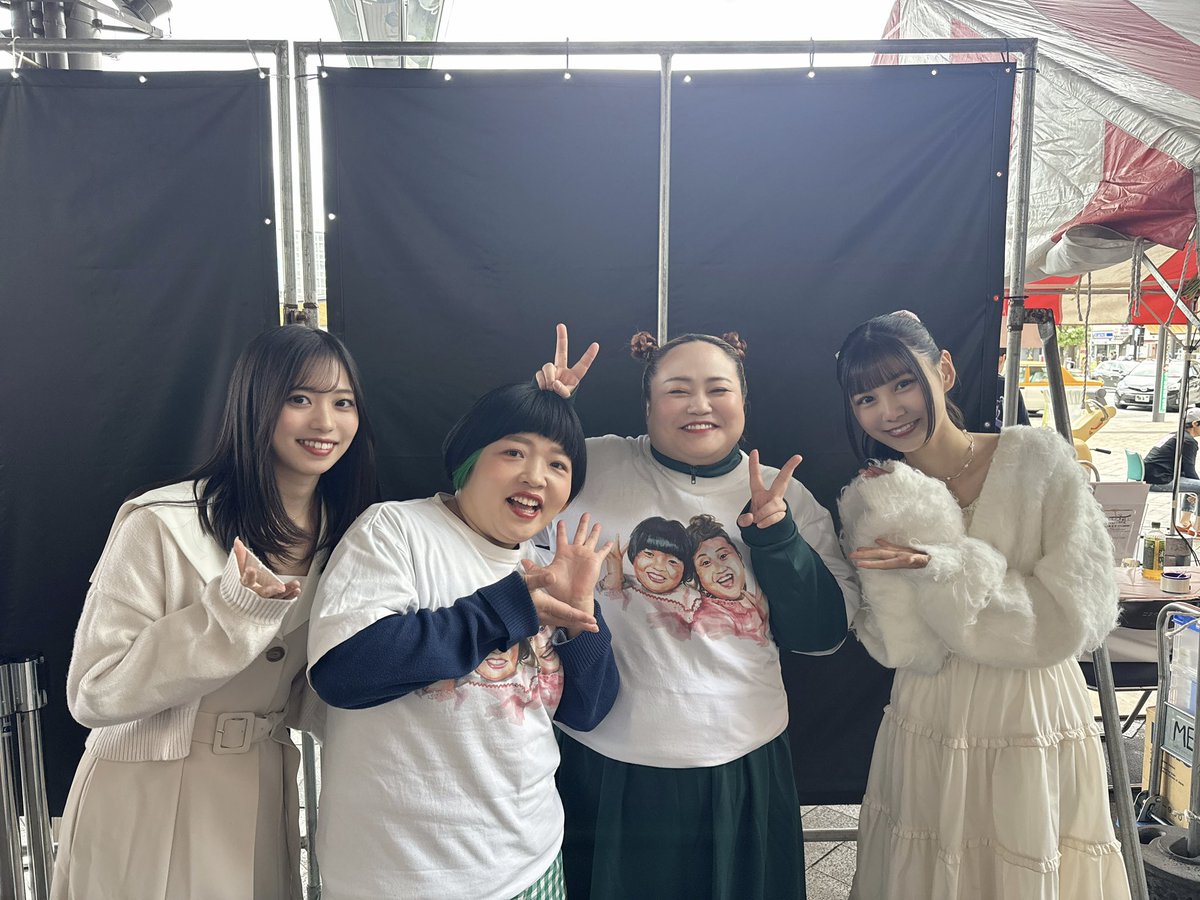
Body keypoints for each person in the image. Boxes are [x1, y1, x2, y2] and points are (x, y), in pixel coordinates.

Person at [52, 325, 380, 900]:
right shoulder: (161, 523)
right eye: (299, 398)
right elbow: (92, 692)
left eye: (343, 402)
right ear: (256, 402)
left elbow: (310, 695)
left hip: (261, 791)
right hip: (147, 795)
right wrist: (227, 618)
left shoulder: (347, 541)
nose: (325, 422)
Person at [535, 324, 859, 900]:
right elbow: (503, 495)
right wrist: (544, 419)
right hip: (606, 754)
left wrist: (778, 537)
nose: (699, 405)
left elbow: (823, 636)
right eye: (677, 390)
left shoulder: (784, 494)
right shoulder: (591, 466)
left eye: (718, 389)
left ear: (743, 401)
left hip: (742, 758)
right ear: (648, 405)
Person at [835, 312, 1129, 899]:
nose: (889, 410)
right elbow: (899, 644)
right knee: (929, 862)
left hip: (1029, 705)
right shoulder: (878, 494)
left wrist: (943, 566)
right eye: (866, 398)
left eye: (903, 383)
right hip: (931, 708)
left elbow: (1080, 610)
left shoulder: (1037, 460)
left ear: (943, 370)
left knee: (1028, 856)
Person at [306, 382, 620, 900]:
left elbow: (586, 712)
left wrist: (581, 618)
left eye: (558, 464)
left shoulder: (547, 566)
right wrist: (506, 610)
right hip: (403, 880)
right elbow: (345, 672)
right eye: (513, 452)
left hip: (532, 864)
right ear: (468, 458)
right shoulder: (395, 530)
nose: (535, 475)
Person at [1142, 407, 1200, 532]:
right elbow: (1189, 470)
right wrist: (1195, 490)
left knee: (1194, 484)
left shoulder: (1174, 435)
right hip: (1159, 480)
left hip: (1149, 476)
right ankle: (1198, 527)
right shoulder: (1188, 441)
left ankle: (1184, 522)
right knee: (1198, 485)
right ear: (1195, 424)